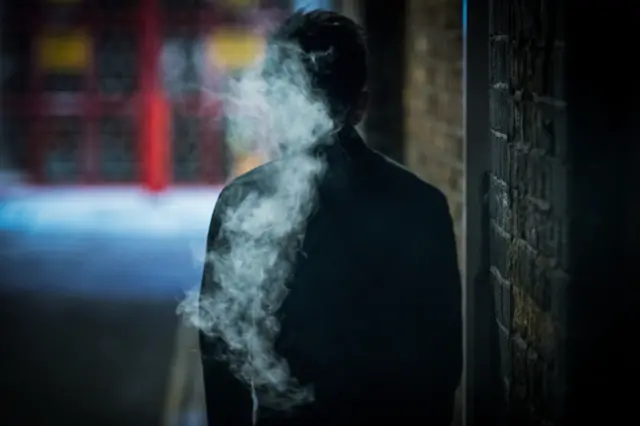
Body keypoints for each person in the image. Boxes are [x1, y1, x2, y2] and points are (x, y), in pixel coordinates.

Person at [199, 10, 462, 426]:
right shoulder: (421, 205)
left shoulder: (242, 203)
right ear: (361, 105)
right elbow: (442, 365)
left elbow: (221, 355)